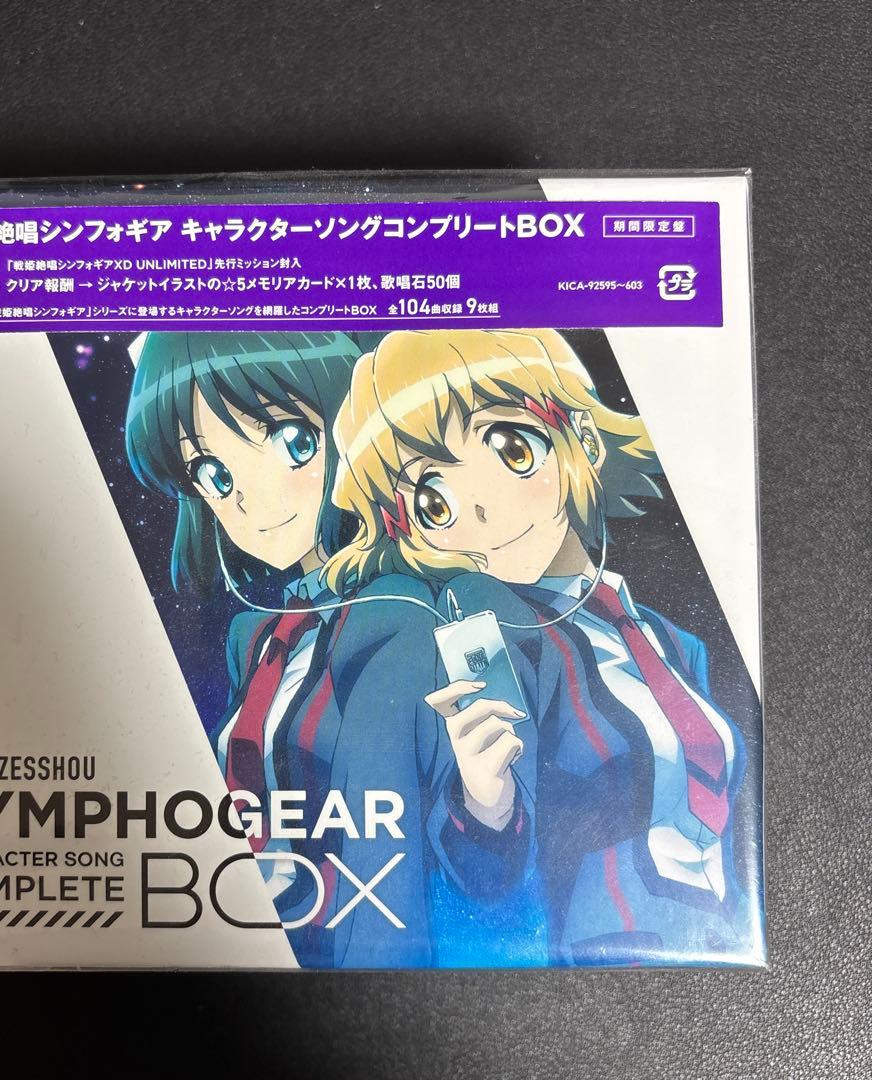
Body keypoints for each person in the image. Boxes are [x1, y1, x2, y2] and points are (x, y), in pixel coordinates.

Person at [325, 328, 750, 964]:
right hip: (603, 962)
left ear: (583, 439)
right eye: (434, 501)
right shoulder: (485, 634)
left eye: (509, 448)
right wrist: (485, 801)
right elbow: (487, 874)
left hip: (718, 947)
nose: (482, 510)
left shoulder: (673, 642)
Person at [126, 331, 458, 967]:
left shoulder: (395, 617)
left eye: (291, 440)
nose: (251, 499)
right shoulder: (254, 638)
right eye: (214, 474)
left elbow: (386, 858)